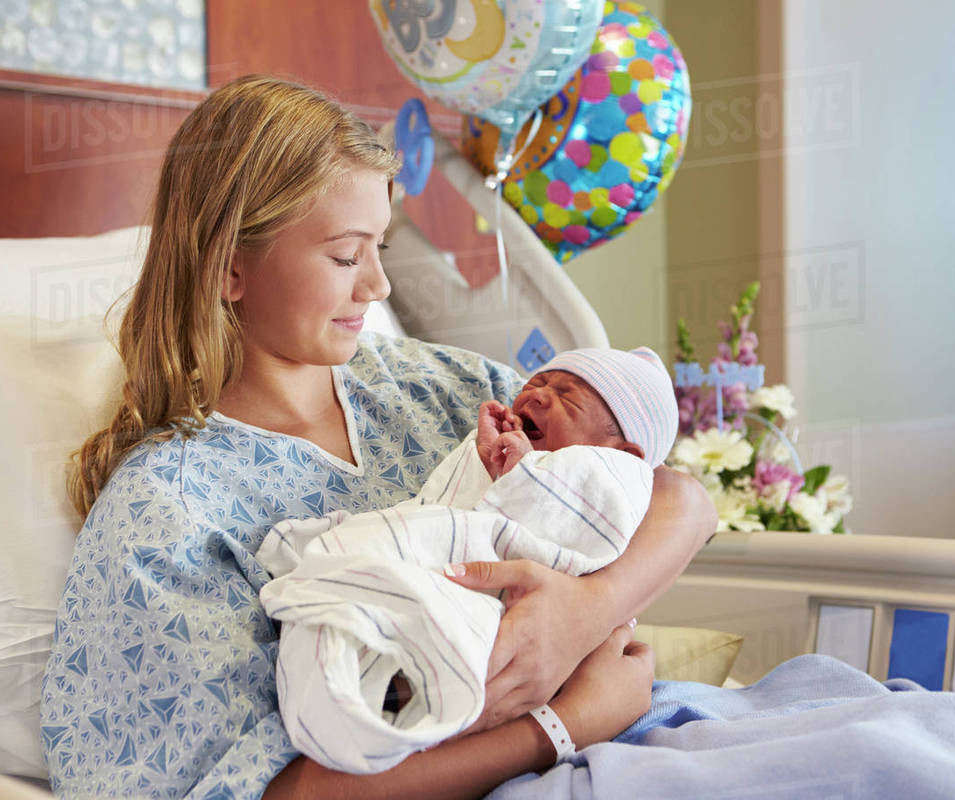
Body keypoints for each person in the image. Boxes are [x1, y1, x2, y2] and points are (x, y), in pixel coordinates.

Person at [41, 74, 716, 800]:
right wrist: (559, 725)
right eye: (343, 256)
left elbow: (678, 497)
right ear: (230, 266)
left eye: (379, 249)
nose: (378, 288)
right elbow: (269, 792)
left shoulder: (437, 388)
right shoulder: (168, 513)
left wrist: (589, 610)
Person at [256, 347, 681, 774]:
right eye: (536, 383)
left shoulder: (614, 479)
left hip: (511, 606)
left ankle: (400, 691)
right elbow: (450, 507)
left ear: (623, 453)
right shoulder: (482, 406)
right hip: (472, 582)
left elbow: (564, 515)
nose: (536, 396)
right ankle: (378, 679)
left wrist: (523, 470)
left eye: (566, 397)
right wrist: (486, 462)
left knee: (444, 628)